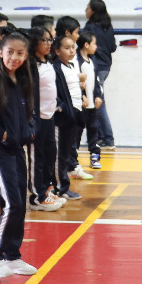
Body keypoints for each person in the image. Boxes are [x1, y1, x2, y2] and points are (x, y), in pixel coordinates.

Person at [0, 32, 39, 277]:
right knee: (11, 203)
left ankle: (12, 255)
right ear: (0, 53)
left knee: (20, 204)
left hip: (17, 149)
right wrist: (0, 134)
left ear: (26, 56)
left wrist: (30, 130)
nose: (14, 57)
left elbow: (29, 114)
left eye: (20, 53)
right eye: (10, 52)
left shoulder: (23, 82)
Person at [28, 29, 62, 210]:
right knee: (37, 157)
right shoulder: (31, 66)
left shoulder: (48, 63)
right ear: (34, 42)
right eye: (44, 40)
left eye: (50, 40)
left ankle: (47, 189)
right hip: (37, 118)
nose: (49, 43)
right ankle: (36, 196)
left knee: (50, 154)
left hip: (50, 116)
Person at [52, 34, 88, 196]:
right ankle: (60, 188)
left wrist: (83, 97)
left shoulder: (71, 66)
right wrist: (63, 108)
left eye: (73, 47)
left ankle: (63, 185)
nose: (72, 51)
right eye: (67, 48)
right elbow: (55, 93)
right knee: (60, 154)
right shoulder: (55, 68)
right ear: (57, 51)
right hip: (63, 118)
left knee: (67, 153)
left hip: (75, 116)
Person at [82, 0, 117, 162]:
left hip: (95, 66)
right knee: (97, 97)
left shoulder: (90, 28)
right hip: (106, 66)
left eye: (88, 8)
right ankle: (102, 137)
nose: (85, 10)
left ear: (94, 11)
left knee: (98, 100)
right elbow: (113, 47)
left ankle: (108, 138)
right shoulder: (107, 26)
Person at [77, 31, 105, 171]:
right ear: (86, 44)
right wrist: (82, 96)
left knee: (94, 130)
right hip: (81, 105)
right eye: (94, 43)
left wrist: (98, 96)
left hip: (92, 106)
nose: (96, 46)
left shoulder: (92, 61)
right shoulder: (76, 62)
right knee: (77, 131)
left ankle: (94, 155)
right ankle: (73, 159)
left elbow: (96, 81)